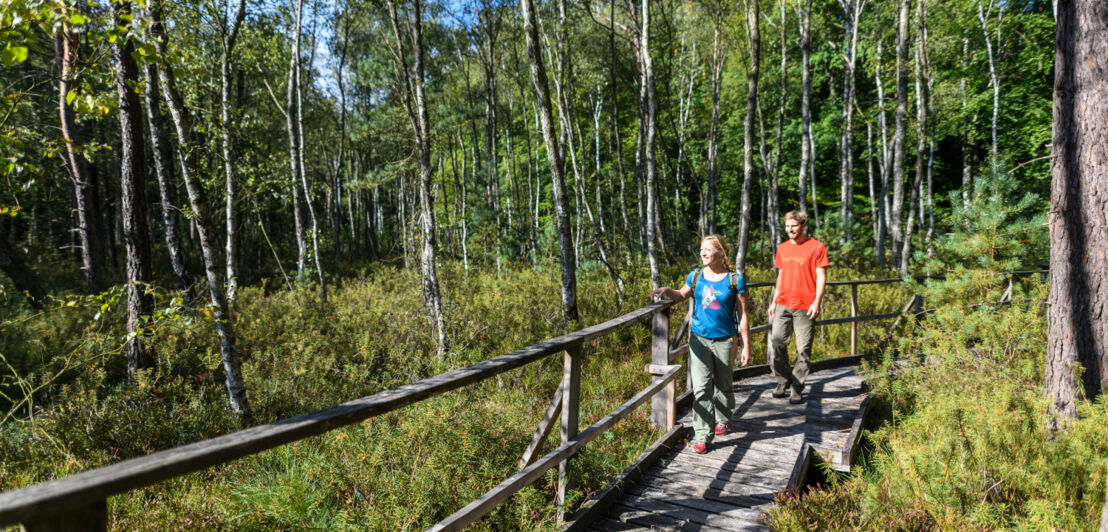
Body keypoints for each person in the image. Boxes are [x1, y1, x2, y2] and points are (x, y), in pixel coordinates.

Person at [651, 235, 751, 454]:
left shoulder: (735, 280)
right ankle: (703, 435)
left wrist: (746, 345)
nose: (703, 253)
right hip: (699, 339)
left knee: (724, 385)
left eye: (708, 249)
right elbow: (680, 294)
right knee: (701, 388)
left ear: (722, 253)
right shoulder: (695, 275)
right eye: (701, 249)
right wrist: (667, 291)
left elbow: (743, 314)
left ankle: (723, 419)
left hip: (725, 340)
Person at [767, 211, 829, 404]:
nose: (790, 230)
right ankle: (783, 380)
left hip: (805, 305)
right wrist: (774, 301)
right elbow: (781, 276)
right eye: (787, 226)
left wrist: (817, 302)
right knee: (777, 343)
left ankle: (797, 386)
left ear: (803, 225)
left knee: (803, 349)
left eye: (793, 226)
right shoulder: (782, 248)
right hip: (783, 303)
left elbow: (821, 277)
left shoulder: (817, 247)